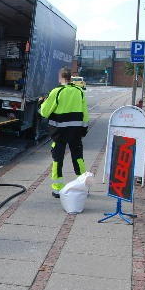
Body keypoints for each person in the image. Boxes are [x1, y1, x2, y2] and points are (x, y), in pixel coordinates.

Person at [39, 66, 89, 198]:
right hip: (76, 132)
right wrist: (84, 129)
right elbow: (85, 114)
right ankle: (84, 187)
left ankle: (57, 189)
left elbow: (45, 112)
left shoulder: (57, 91)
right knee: (78, 158)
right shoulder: (80, 92)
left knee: (57, 160)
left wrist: (42, 103)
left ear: (61, 77)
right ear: (70, 78)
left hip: (59, 133)